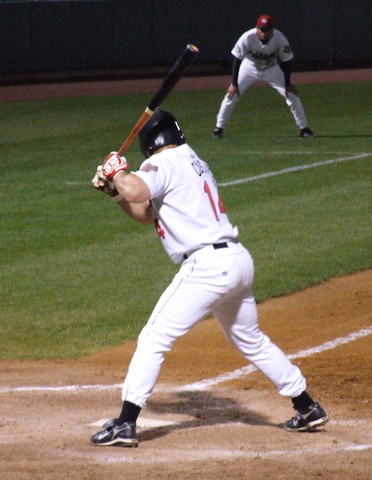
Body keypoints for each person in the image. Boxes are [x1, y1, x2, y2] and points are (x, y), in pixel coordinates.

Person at [90, 110, 328, 447]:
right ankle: (306, 406)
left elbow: (136, 189)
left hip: (206, 268)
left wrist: (117, 172)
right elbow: (144, 212)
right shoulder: (192, 161)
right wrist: (115, 190)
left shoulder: (162, 162)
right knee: (250, 339)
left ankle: (125, 423)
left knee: (154, 337)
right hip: (237, 261)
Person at [212, 14, 314, 139]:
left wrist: (287, 84)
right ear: (257, 28)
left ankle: (304, 128)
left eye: (267, 29)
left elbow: (287, 61)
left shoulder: (279, 38)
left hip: (271, 69)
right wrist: (234, 84)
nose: (264, 32)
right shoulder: (247, 37)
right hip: (249, 68)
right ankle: (218, 128)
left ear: (272, 29)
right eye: (262, 29)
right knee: (231, 94)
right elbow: (237, 59)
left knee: (291, 94)